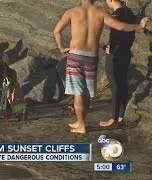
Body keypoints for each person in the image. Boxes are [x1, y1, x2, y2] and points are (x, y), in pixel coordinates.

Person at [53, 0, 149, 134]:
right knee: (85, 91)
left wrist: (62, 48)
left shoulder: (72, 12)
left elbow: (57, 31)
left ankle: (81, 125)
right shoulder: (101, 12)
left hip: (75, 56)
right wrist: (140, 26)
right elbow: (121, 26)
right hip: (91, 57)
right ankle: (81, 121)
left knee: (78, 93)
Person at [100, 0, 136, 127]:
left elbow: (116, 34)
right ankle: (121, 115)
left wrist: (110, 48)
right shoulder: (130, 13)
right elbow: (131, 34)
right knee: (122, 83)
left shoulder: (116, 15)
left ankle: (114, 117)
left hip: (115, 54)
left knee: (114, 85)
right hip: (125, 52)